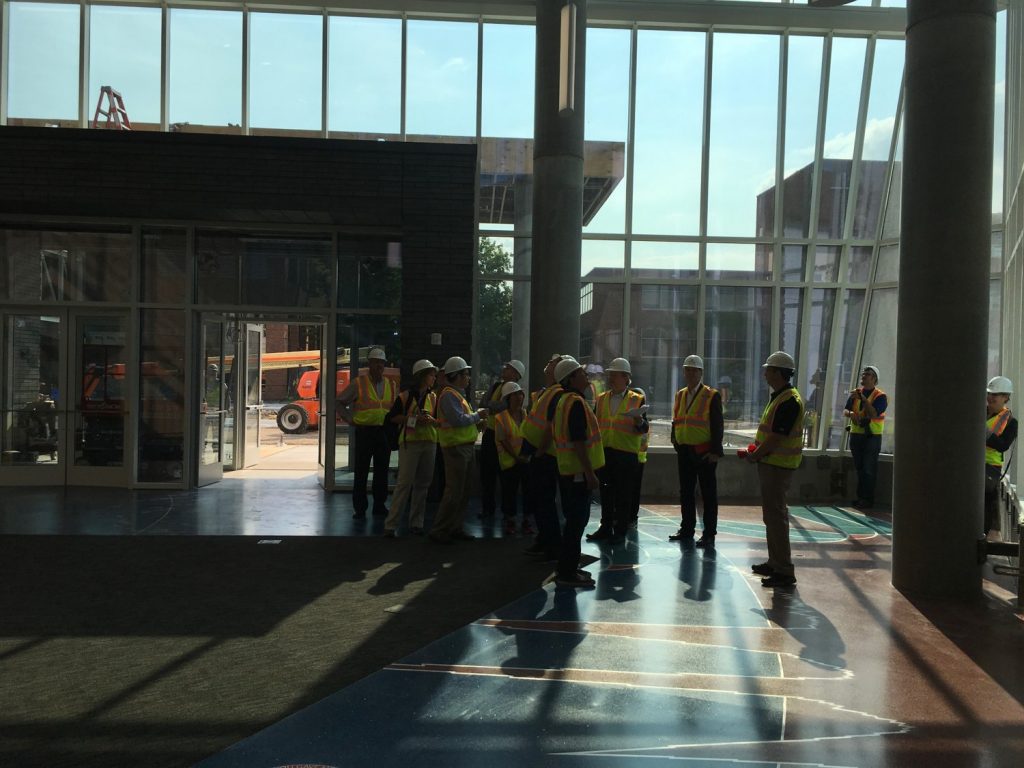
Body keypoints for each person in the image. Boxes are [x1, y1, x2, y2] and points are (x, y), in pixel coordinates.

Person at [744, 351, 804, 588]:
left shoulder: (789, 401)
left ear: (778, 373)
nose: (765, 373)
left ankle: (784, 570)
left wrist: (756, 454)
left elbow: (777, 436)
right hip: (772, 464)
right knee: (772, 516)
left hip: (778, 465)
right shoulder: (780, 396)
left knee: (776, 516)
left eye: (768, 370)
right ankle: (775, 562)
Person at [551, 358, 606, 588]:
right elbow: (579, 441)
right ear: (571, 378)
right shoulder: (575, 403)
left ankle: (567, 568)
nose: (586, 376)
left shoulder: (564, 401)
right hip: (577, 473)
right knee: (577, 522)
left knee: (574, 522)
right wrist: (590, 473)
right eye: (581, 373)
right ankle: (567, 573)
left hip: (568, 470)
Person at [588, 358, 647, 545]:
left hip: (626, 454)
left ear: (626, 377)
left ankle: (620, 530)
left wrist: (638, 421)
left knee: (623, 494)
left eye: (615, 374)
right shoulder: (602, 398)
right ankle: (605, 527)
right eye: (610, 374)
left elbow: (644, 428)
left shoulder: (636, 399)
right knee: (606, 493)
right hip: (606, 452)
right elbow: (595, 425)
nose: (610, 378)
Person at [430, 356, 488, 543]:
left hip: (463, 447)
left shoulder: (456, 394)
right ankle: (440, 529)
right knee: (454, 491)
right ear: (455, 376)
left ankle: (454, 527)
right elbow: (458, 420)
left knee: (463, 491)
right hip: (455, 448)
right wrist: (477, 416)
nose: (468, 377)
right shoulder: (448, 395)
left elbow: (461, 421)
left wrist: (476, 423)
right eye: (465, 374)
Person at [669, 355, 724, 549]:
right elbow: (676, 419)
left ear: (701, 372)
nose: (690, 373)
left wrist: (715, 451)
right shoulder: (680, 394)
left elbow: (718, 426)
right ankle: (687, 529)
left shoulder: (711, 395)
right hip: (684, 451)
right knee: (686, 493)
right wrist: (675, 440)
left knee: (708, 494)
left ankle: (709, 533)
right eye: (687, 369)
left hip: (704, 452)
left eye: (694, 370)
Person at [522, 354, 572, 563]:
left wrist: (540, 451)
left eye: (552, 362)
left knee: (545, 502)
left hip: (546, 455)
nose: (548, 364)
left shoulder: (557, 393)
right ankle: (544, 539)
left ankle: (552, 546)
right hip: (540, 453)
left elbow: (551, 425)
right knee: (540, 501)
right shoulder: (549, 392)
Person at [337, 347, 397, 519]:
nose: (379, 366)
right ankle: (360, 508)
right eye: (375, 362)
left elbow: (393, 409)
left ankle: (379, 505)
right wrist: (350, 419)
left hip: (383, 432)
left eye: (381, 363)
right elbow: (339, 402)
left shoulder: (391, 385)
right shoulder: (358, 383)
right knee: (361, 471)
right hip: (364, 433)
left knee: (381, 471)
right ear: (369, 364)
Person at [382, 360, 439, 538]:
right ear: (422, 376)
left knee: (423, 484)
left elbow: (438, 421)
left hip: (429, 443)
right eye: (431, 375)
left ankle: (416, 523)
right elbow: (393, 417)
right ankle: (390, 525)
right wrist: (411, 418)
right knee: (404, 484)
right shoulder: (405, 396)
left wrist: (431, 421)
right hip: (410, 443)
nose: (434, 378)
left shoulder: (433, 397)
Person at [479, 360, 526, 519]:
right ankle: (488, 509)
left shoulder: (515, 392)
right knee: (487, 475)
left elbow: (502, 406)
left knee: (507, 479)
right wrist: (495, 405)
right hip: (491, 433)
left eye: (508, 368)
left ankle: (507, 513)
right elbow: (484, 403)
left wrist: (492, 406)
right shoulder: (495, 386)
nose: (504, 369)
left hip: (506, 438)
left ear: (516, 374)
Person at [842, 365, 888, 508]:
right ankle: (861, 497)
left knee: (869, 468)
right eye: (863, 373)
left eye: (867, 374)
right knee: (860, 468)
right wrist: (851, 414)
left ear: (874, 379)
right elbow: (846, 410)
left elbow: (874, 413)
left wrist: (864, 399)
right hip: (856, 435)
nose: (863, 376)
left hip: (872, 437)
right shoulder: (856, 393)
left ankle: (867, 499)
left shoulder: (880, 396)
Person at [494, 380, 533, 536]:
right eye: (515, 395)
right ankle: (510, 520)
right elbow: (503, 440)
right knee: (509, 492)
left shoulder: (526, 414)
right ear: (508, 398)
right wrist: (516, 457)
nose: (519, 397)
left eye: (520, 394)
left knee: (528, 491)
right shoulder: (500, 418)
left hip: (525, 460)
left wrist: (525, 456)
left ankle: (526, 520)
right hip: (510, 462)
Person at [984, 376, 1018, 537]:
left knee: (988, 495)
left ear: (1005, 397)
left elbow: (1003, 445)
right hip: (971, 464)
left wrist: (985, 434)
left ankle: (992, 532)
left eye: (995, 395)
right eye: (989, 393)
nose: (990, 397)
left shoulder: (1011, 422)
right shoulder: (979, 413)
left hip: (990, 468)